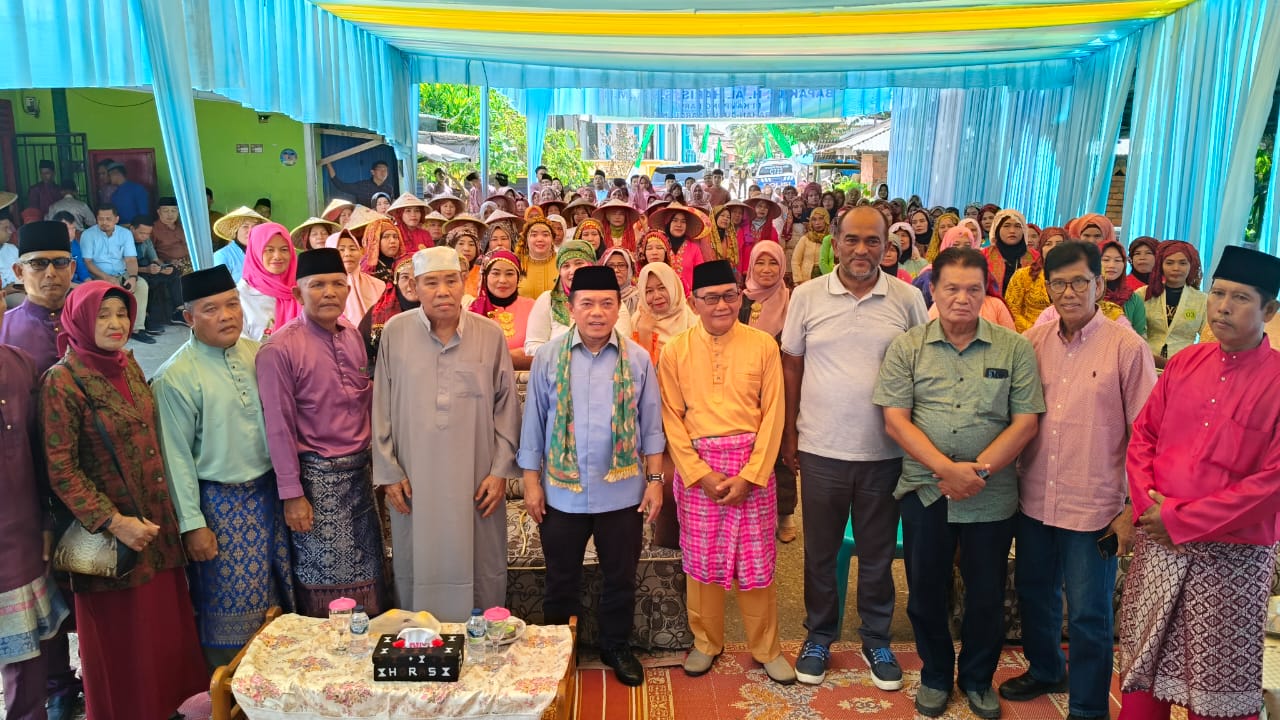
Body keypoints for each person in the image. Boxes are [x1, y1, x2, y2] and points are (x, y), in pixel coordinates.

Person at [874, 246, 1045, 719]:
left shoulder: (1015, 347)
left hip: (991, 496)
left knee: (987, 594)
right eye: (952, 288)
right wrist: (946, 470)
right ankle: (934, 674)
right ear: (933, 289)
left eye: (974, 289)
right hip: (926, 489)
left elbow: (1026, 422)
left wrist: (980, 472)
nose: (962, 299)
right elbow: (895, 420)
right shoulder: (907, 346)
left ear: (986, 291)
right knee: (925, 590)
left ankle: (975, 678)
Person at [1118, 245, 1280, 720]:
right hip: (1160, 543)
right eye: (1218, 293)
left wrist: (1181, 519)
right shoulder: (1186, 363)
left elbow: (1272, 482)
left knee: (1219, 687)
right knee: (1144, 668)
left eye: (1241, 298)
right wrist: (1151, 510)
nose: (1223, 307)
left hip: (1231, 556)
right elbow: (1143, 437)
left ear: (1269, 310)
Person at [1003, 243, 1156, 720]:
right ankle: (1047, 668)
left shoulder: (1127, 347)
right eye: (1058, 283)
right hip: (1034, 499)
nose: (1068, 292)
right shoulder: (1034, 342)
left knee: (1089, 613)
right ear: (1046, 286)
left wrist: (1132, 506)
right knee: (1034, 592)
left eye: (1079, 282)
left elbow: (1146, 434)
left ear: (1099, 285)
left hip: (1095, 506)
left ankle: (1089, 708)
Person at [41, 281, 207, 719]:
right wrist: (115, 522)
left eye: (121, 314)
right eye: (103, 315)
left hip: (157, 531)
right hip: (112, 546)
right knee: (122, 650)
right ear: (79, 319)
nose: (116, 324)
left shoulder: (129, 365)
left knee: (165, 638)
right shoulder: (63, 381)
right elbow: (62, 471)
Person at [781, 206, 928, 688]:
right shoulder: (806, 296)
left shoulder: (906, 299)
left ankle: (876, 640)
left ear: (889, 245)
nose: (861, 250)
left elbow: (921, 373)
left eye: (873, 241)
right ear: (835, 243)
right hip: (822, 448)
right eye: (852, 240)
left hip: (885, 454)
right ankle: (820, 635)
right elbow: (792, 368)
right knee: (820, 552)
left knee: (878, 553)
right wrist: (790, 435)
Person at [518, 264, 665, 687]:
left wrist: (654, 482)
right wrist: (531, 481)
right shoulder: (548, 356)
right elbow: (534, 425)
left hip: (621, 494)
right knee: (561, 579)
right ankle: (557, 650)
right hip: (561, 494)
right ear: (571, 307)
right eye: (587, 304)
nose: (597, 312)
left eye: (606, 303)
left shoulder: (637, 358)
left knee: (620, 578)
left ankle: (615, 645)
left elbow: (651, 427)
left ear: (619, 307)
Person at [151, 266, 296, 669]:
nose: (227, 315)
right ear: (189, 318)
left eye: (232, 304)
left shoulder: (258, 353)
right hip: (220, 507)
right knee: (229, 607)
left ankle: (278, 690)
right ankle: (227, 697)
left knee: (279, 594)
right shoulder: (174, 378)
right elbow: (174, 456)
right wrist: (192, 524)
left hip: (270, 495)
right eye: (211, 309)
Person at [658, 259, 794, 684]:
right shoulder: (675, 350)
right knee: (702, 566)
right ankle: (705, 643)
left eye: (730, 295)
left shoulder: (763, 345)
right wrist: (699, 473)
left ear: (741, 296)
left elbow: (774, 414)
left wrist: (752, 474)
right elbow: (671, 419)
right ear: (694, 302)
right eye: (711, 298)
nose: (722, 305)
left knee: (757, 564)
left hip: (751, 467)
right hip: (700, 472)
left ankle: (766, 647)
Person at [373, 246, 521, 621]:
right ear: (415, 287)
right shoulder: (395, 333)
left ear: (464, 283)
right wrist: (389, 474)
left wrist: (500, 472)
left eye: (451, 281)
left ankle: (483, 643)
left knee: (481, 566)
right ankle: (420, 643)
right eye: (431, 283)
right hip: (414, 480)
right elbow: (381, 408)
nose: (442, 291)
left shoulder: (489, 335)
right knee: (417, 562)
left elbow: (507, 409)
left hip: (477, 479)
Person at [256, 249, 386, 616]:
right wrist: (292, 494)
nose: (329, 292)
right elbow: (278, 428)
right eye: (317, 285)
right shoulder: (278, 350)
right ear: (298, 294)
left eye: (337, 284)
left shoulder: (351, 336)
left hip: (361, 477)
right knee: (326, 584)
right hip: (316, 484)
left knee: (370, 577)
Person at [0, 226, 72, 720]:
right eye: (39, 263)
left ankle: (74, 677)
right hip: (26, 496)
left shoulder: (94, 314)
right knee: (30, 602)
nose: (51, 273)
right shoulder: (9, 336)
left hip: (79, 491)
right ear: (17, 271)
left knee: (72, 595)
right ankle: (53, 687)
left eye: (60, 262)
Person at [738, 241, 801, 544]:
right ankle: (753, 512)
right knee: (749, 448)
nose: (766, 269)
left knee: (781, 450)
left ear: (782, 267)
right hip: (744, 387)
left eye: (773, 263)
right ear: (750, 266)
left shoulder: (792, 301)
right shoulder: (740, 300)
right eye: (760, 263)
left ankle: (785, 513)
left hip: (782, 385)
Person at [526, 240, 633, 357]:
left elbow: (622, 345)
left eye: (579, 263)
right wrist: (570, 358)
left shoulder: (611, 301)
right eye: (566, 266)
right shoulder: (548, 300)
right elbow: (532, 347)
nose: (573, 271)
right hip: (556, 371)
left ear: (591, 266)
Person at [78, 205, 152, 344]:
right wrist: (107, 278)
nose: (104, 222)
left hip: (121, 272)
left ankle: (136, 329)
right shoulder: (88, 235)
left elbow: (130, 259)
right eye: (101, 219)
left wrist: (133, 277)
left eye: (108, 219)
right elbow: (87, 262)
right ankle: (109, 329)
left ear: (116, 219)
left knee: (141, 285)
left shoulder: (125, 234)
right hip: (98, 275)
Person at [1138, 240, 1212, 368]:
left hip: (1184, 366)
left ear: (1191, 266)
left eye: (1183, 263)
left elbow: (1208, 339)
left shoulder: (1202, 300)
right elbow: (1134, 331)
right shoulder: (1144, 294)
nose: (1176, 268)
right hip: (1145, 363)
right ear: (1160, 265)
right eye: (1169, 263)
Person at [469, 249, 535, 370]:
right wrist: (517, 356)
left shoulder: (533, 307)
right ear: (485, 277)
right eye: (495, 273)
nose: (503, 280)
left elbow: (541, 351)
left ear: (518, 278)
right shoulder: (473, 311)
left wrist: (494, 358)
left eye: (509, 274)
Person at [236, 223, 300, 341]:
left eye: (284, 249)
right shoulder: (240, 296)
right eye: (269, 250)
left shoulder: (301, 289)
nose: (277, 256)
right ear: (255, 252)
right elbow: (241, 346)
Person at [632, 261, 697, 365]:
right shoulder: (636, 322)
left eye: (662, 288)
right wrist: (644, 332)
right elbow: (636, 371)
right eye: (649, 291)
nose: (657, 296)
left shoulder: (691, 320)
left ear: (674, 287)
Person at [1004, 226, 1066, 332]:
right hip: (1028, 335)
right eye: (1048, 244)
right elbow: (1011, 311)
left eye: (1059, 244)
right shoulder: (1023, 275)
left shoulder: (1076, 277)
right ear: (1041, 248)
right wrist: (1037, 331)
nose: (1054, 248)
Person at [130, 215, 184, 334]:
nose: (144, 236)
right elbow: (124, 267)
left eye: (147, 234)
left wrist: (163, 267)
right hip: (133, 274)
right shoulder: (125, 241)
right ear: (132, 229)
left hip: (147, 269)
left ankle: (178, 311)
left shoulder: (146, 241)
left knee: (174, 273)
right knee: (147, 281)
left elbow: (154, 258)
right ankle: (146, 318)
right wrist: (147, 270)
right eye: (141, 233)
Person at [326, 229, 387, 329]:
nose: (348, 253)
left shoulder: (378, 285)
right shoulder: (325, 290)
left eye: (353, 249)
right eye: (341, 249)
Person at [649, 205, 706, 293]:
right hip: (663, 297)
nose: (679, 225)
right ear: (668, 223)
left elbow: (702, 276)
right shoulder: (659, 246)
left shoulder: (694, 248)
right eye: (675, 220)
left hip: (689, 299)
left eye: (683, 222)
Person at [1099, 240, 1149, 335]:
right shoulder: (1086, 296)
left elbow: (1139, 335)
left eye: (1118, 260)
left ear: (1124, 264)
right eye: (1105, 260)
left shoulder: (1133, 299)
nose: (1112, 265)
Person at [211, 206, 268, 283]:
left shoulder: (266, 253)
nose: (251, 231)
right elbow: (220, 290)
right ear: (235, 230)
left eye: (255, 226)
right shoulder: (222, 256)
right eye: (245, 226)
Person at [982, 208, 1033, 294]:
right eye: (1006, 226)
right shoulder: (984, 255)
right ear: (997, 230)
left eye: (1017, 226)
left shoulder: (1034, 257)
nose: (1012, 231)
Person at [516, 216, 560, 300]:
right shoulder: (518, 264)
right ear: (526, 240)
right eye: (534, 235)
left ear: (552, 240)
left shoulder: (561, 262)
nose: (540, 239)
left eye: (545, 235)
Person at [736, 199, 780, 278]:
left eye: (766, 207)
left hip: (763, 270)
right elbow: (739, 250)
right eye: (759, 206)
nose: (762, 209)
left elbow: (775, 252)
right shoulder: (743, 227)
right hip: (745, 269)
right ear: (753, 208)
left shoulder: (772, 230)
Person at [325, 159, 396, 207]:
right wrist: (329, 165)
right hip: (364, 222)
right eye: (380, 170)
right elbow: (340, 185)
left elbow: (391, 204)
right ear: (372, 172)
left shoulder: (389, 188)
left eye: (385, 170)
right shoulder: (362, 186)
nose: (383, 173)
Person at [150, 196, 192, 274]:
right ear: (159, 212)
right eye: (166, 211)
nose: (170, 214)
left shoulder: (184, 226)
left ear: (178, 212)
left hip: (191, 261)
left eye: (174, 210)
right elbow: (149, 253)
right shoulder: (153, 229)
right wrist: (166, 262)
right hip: (171, 266)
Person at [359, 218, 404, 285]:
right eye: (386, 237)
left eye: (395, 237)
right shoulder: (367, 268)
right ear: (375, 241)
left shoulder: (404, 263)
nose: (392, 241)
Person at [791, 207, 829, 282]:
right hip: (806, 279)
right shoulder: (805, 239)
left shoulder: (832, 240)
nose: (817, 223)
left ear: (826, 220)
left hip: (827, 280)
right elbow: (795, 261)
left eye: (821, 218)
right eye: (814, 219)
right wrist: (798, 280)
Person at [600, 246, 639, 317]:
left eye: (621, 265)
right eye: (611, 266)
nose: (616, 270)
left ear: (629, 269)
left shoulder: (639, 298)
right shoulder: (597, 298)